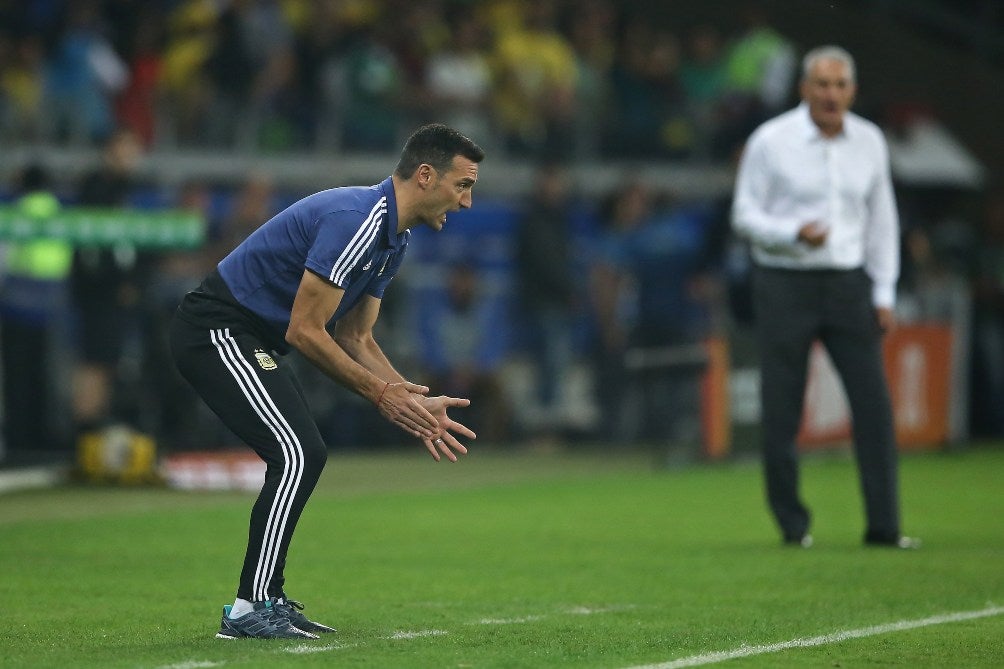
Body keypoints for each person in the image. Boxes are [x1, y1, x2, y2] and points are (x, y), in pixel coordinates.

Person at [169, 124, 484, 639]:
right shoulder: (356, 219)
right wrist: (380, 396)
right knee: (297, 453)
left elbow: (356, 336)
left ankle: (265, 596)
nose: (467, 202)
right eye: (463, 185)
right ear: (425, 176)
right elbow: (305, 330)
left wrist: (409, 396)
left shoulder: (392, 238)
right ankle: (250, 607)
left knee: (302, 453)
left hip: (247, 336)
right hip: (216, 329)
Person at [731, 46, 918, 550]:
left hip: (848, 284)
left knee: (875, 407)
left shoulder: (870, 141)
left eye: (839, 85)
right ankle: (793, 526)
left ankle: (884, 526)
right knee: (783, 409)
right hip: (785, 281)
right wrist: (794, 232)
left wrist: (882, 291)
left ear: (852, 91)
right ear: (803, 89)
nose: (831, 94)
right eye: (821, 84)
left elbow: (882, 222)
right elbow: (744, 215)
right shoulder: (771, 141)